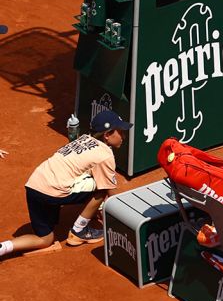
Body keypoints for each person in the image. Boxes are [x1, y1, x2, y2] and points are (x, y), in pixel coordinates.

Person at [0, 109, 131, 259]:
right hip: (52, 191)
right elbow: (110, 192)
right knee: (101, 189)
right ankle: (79, 231)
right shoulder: (105, 154)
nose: (124, 136)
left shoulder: (83, 138)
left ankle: (3, 247)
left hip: (34, 185)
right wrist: (127, 220)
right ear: (107, 135)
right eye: (121, 132)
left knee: (45, 240)